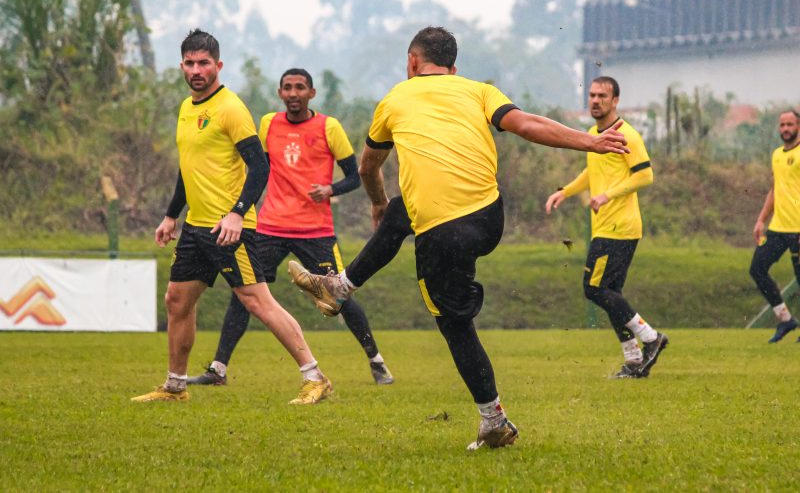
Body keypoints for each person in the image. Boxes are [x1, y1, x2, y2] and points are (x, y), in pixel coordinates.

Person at [287, 26, 630, 450]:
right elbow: (526, 124)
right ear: (453, 67)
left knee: (454, 324)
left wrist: (377, 204)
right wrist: (589, 142)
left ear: (413, 62)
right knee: (401, 213)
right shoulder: (477, 90)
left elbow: (367, 167)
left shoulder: (395, 99)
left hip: (441, 233)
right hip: (488, 218)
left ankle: (493, 420)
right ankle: (339, 287)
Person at [132, 30, 332, 405]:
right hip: (196, 226)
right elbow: (188, 168)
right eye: (190, 63)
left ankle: (315, 378)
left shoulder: (230, 108)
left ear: (218, 66)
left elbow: (260, 166)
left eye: (204, 63)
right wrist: (171, 215)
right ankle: (175, 386)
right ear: (181, 66)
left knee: (257, 301)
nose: (196, 70)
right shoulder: (186, 108)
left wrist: (237, 214)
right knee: (177, 301)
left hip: (229, 229)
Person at [188, 68, 393, 387]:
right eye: (287, 87)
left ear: (312, 93)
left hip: (316, 230)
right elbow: (259, 170)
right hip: (271, 227)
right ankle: (218, 369)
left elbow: (355, 176)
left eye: (300, 87)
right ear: (280, 93)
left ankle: (376, 361)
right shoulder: (268, 123)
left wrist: (330, 190)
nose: (294, 92)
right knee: (244, 294)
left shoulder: (329, 127)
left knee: (340, 296)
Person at [545, 76, 666, 379]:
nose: (595, 100)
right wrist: (565, 191)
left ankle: (650, 338)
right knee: (611, 291)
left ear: (615, 101)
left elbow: (645, 176)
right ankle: (634, 358)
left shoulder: (628, 135)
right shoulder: (592, 134)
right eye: (592, 95)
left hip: (619, 227)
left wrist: (607, 194)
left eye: (602, 96)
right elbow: (592, 171)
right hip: (606, 226)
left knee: (594, 288)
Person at [749, 109, 800, 343]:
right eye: (782, 125)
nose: (785, 129)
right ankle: (785, 319)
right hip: (779, 228)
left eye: (790, 124)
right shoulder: (777, 155)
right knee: (757, 268)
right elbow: (775, 189)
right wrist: (761, 219)